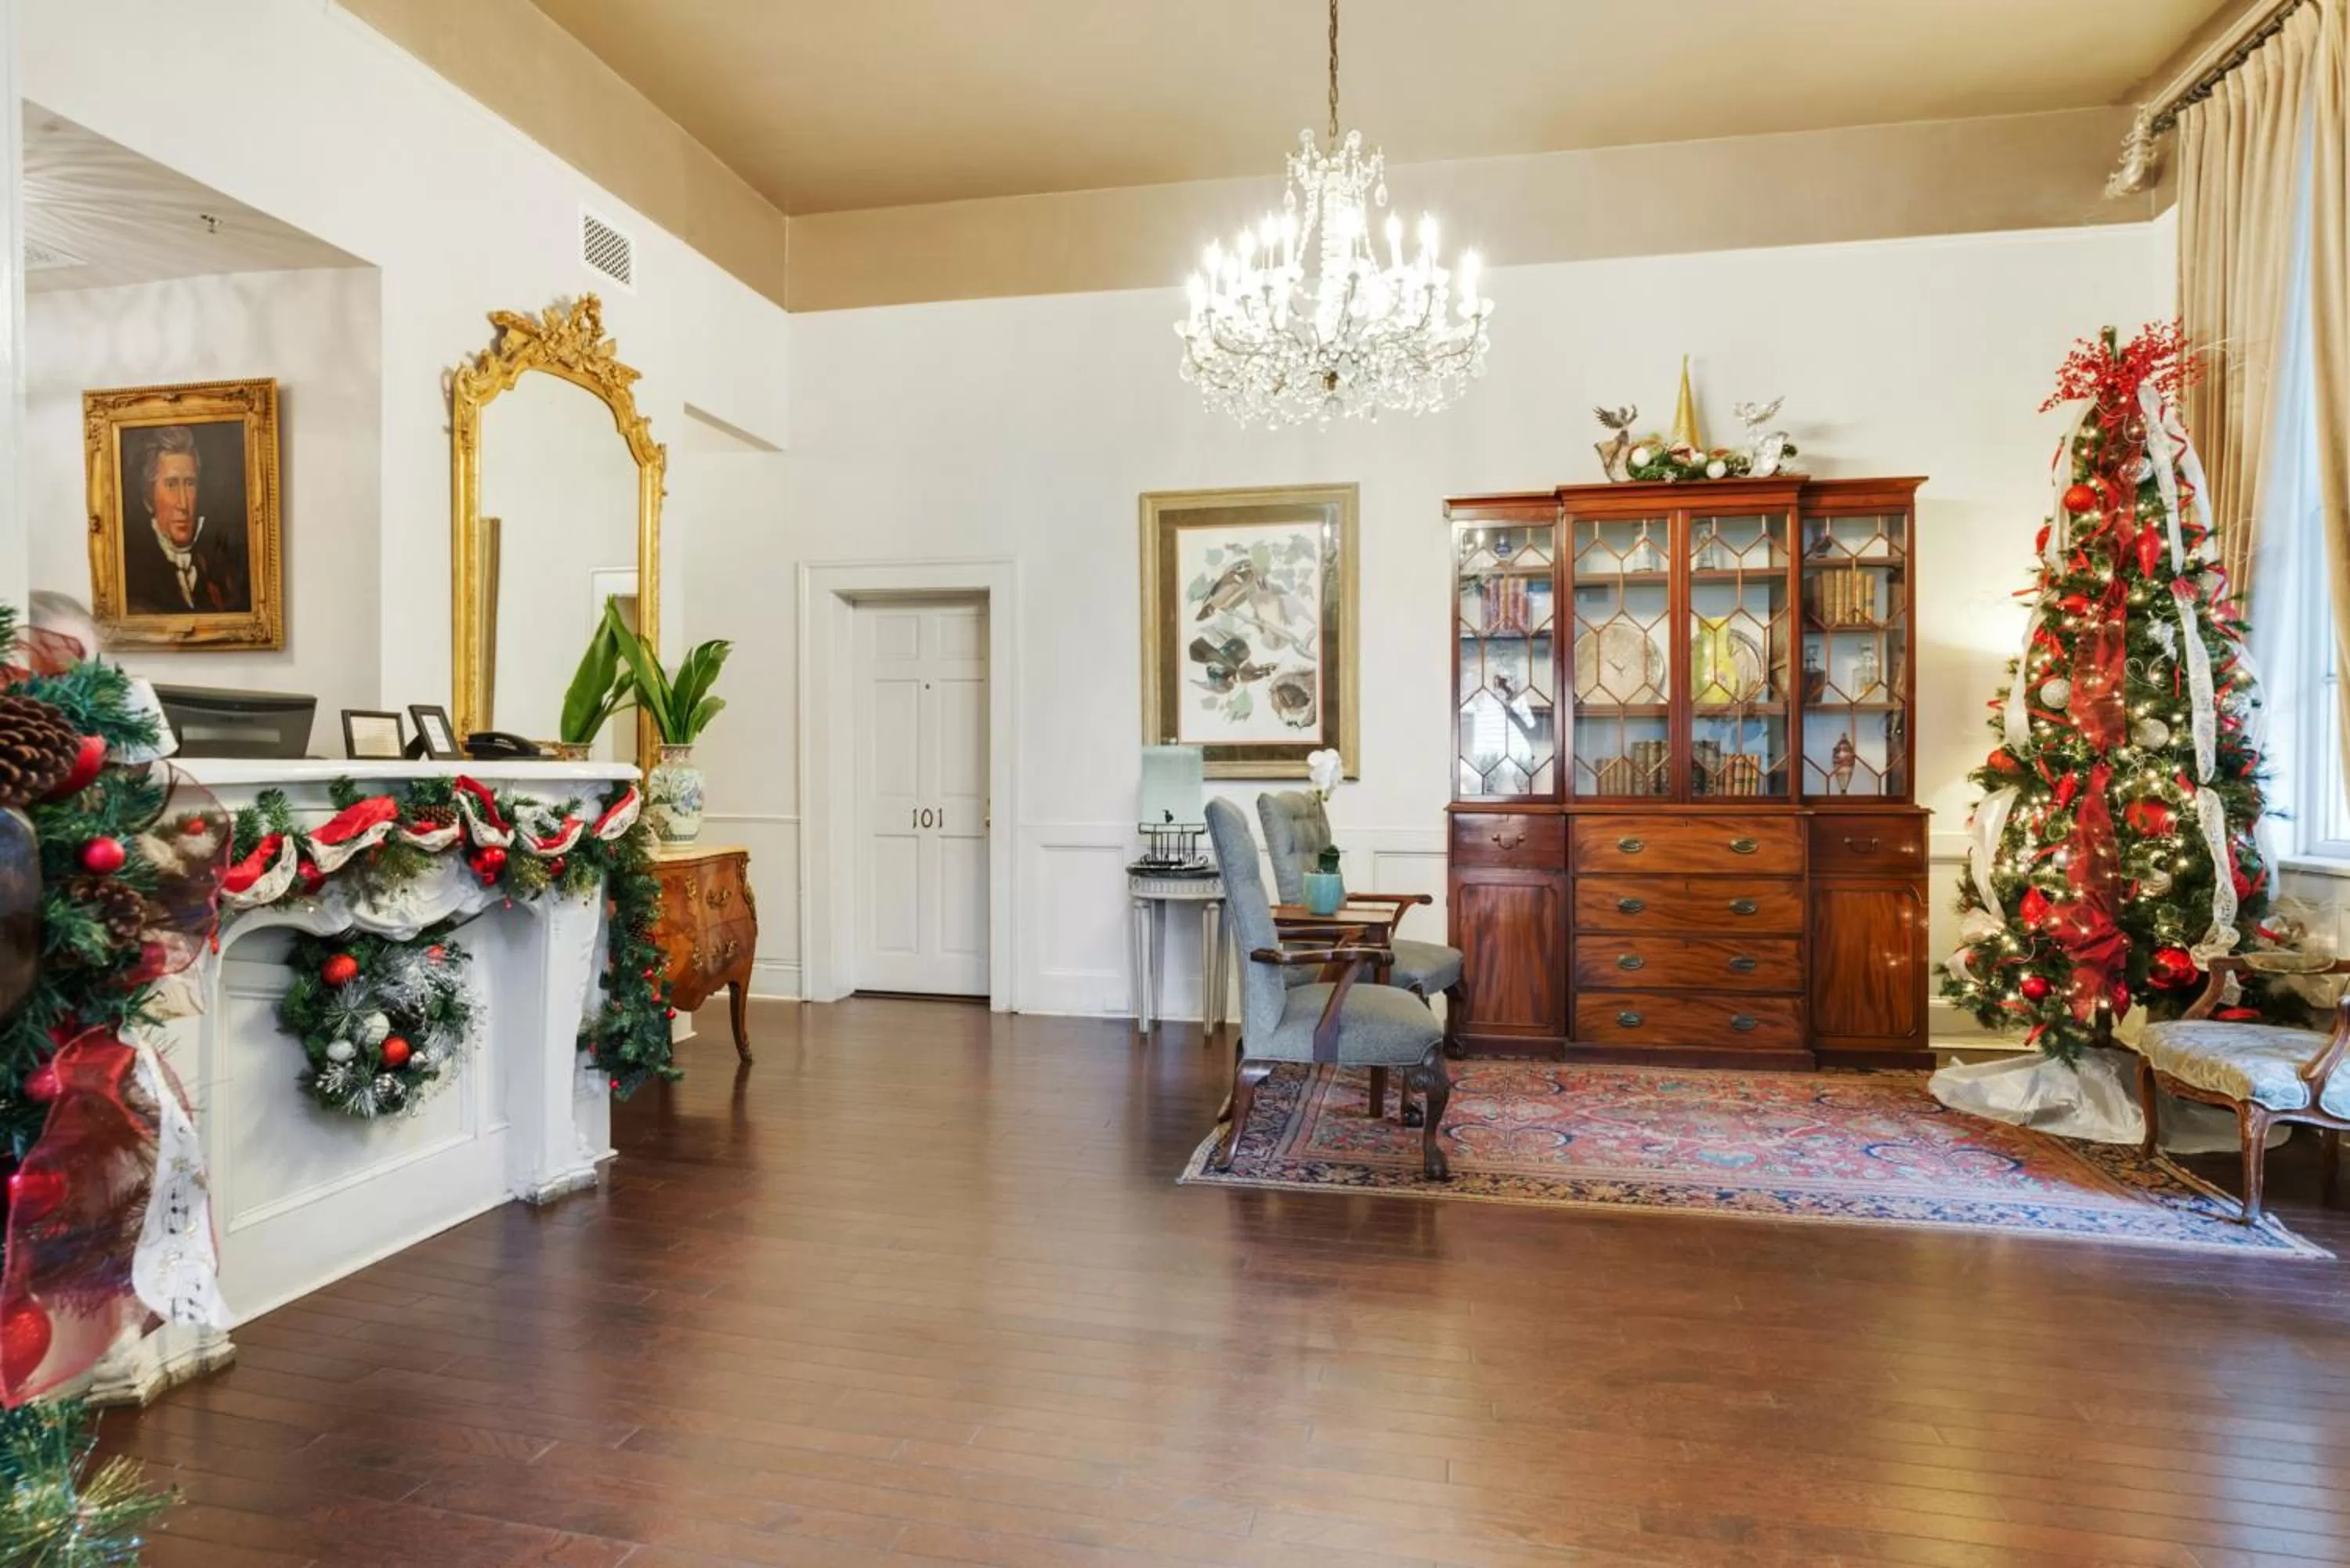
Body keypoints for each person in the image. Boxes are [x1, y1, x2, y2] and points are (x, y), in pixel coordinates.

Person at [120, 425, 249, 616]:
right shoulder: (134, 573)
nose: (183, 504)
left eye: (190, 484)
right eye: (171, 485)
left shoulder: (222, 563)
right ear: (149, 498)